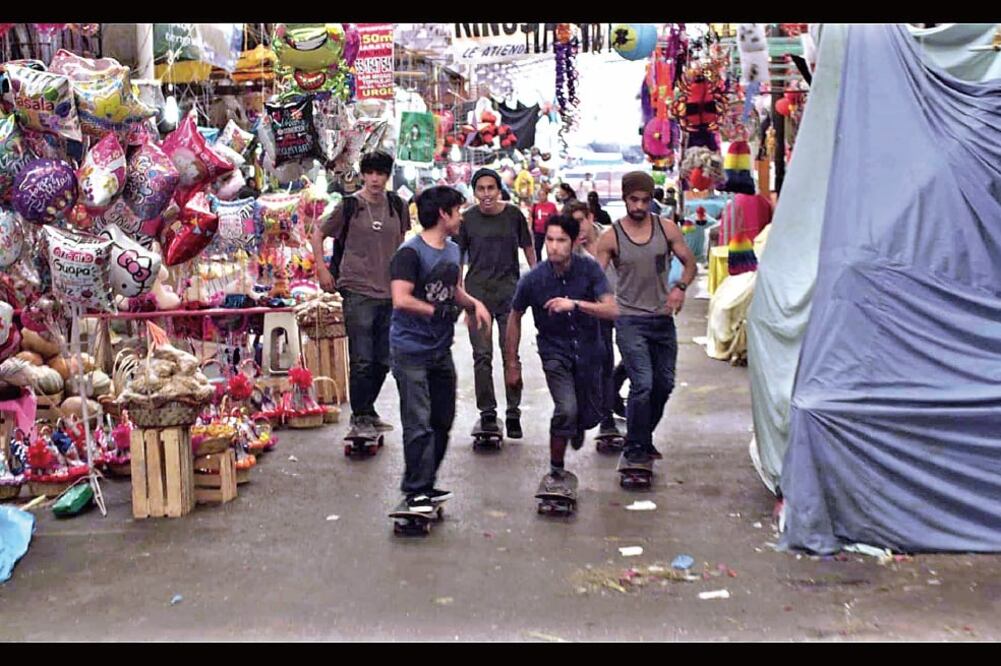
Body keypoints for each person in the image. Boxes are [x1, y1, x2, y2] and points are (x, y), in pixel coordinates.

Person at [389, 186, 492, 512]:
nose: (461, 217)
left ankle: (424, 482)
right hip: (410, 350)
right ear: (443, 214)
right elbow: (401, 299)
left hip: (439, 348)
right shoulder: (410, 253)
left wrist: (474, 304)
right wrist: (436, 312)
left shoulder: (453, 250)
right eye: (458, 211)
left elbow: (453, 290)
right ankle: (416, 490)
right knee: (418, 422)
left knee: (442, 419)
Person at [504, 213, 618, 497]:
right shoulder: (533, 279)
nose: (554, 247)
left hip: (590, 352)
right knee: (565, 409)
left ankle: (577, 424)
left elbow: (612, 309)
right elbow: (514, 316)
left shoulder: (589, 270)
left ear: (575, 241)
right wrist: (512, 364)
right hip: (555, 352)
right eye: (550, 240)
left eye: (561, 240)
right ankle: (556, 469)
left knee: (590, 415)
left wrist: (576, 304)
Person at [595, 171, 696, 464]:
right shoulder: (611, 237)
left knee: (664, 384)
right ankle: (635, 448)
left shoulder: (667, 229)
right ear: (625, 199)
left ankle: (641, 437)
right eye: (634, 200)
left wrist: (680, 288)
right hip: (629, 320)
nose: (639, 206)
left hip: (662, 319)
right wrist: (600, 304)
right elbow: (595, 279)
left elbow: (689, 263)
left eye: (645, 200)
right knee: (643, 384)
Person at [312, 150, 410, 438]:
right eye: (370, 173)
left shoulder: (398, 205)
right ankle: (360, 416)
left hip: (389, 291)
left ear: (388, 176)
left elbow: (400, 242)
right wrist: (322, 269)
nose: (375, 179)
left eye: (381, 173)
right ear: (363, 175)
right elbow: (318, 233)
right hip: (357, 289)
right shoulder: (349, 205)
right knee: (362, 357)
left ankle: (367, 410)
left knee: (383, 360)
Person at [457, 168, 538, 439]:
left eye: (491, 188)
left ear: (499, 189)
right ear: (474, 192)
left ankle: (513, 412)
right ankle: (487, 413)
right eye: (481, 189)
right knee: (482, 356)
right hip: (477, 296)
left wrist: (538, 278)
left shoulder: (514, 215)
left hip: (509, 295)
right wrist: (460, 295)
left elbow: (529, 248)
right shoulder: (467, 219)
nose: (486, 194)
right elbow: (458, 258)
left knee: (510, 354)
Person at [566, 201, 621, 441]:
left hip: (625, 305)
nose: (578, 227)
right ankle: (605, 419)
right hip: (595, 311)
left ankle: (613, 397)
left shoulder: (611, 238)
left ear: (590, 218)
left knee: (635, 358)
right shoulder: (570, 249)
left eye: (580, 221)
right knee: (602, 362)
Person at [531, 188, 559, 261]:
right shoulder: (535, 205)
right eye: (540, 195)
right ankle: (539, 262)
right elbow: (532, 217)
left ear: (546, 195)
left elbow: (556, 217)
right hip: (538, 230)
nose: (541, 197)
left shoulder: (552, 206)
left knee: (550, 248)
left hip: (548, 230)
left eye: (543, 195)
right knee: (537, 248)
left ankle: (551, 261)